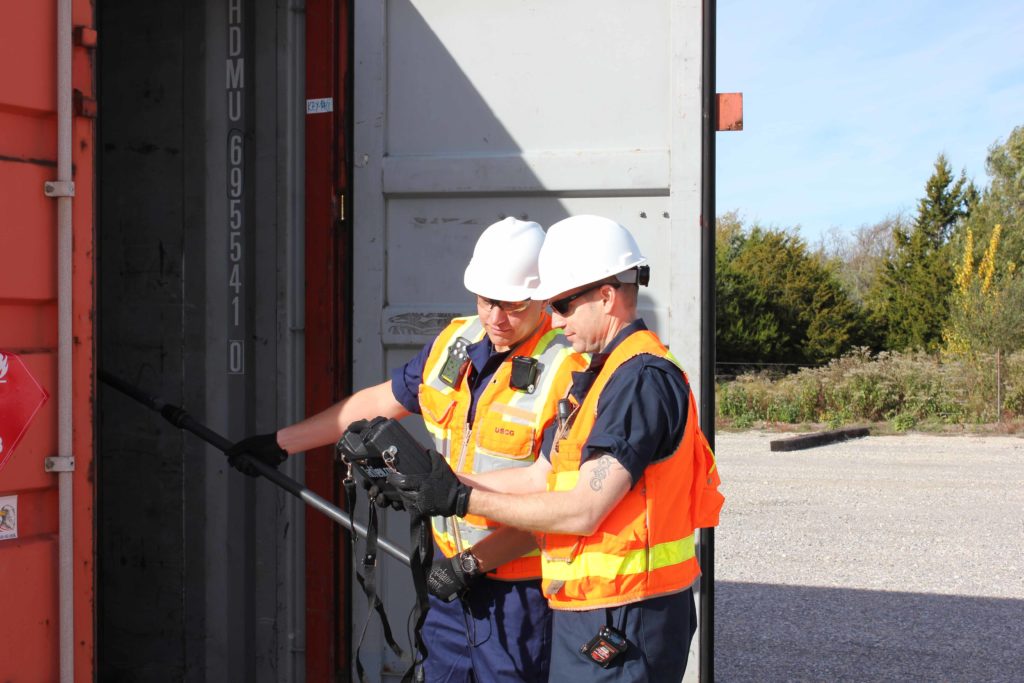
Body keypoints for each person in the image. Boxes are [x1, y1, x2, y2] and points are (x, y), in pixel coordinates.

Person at [227, 217, 587, 682]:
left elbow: (557, 505)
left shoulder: (569, 369)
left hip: (521, 593)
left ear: (543, 296)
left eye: (513, 304)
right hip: (452, 585)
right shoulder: (456, 344)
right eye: (485, 300)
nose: (495, 317)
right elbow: (381, 400)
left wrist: (471, 562)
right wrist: (281, 444)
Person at [388, 215, 724, 681]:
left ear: (607, 296)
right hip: (590, 609)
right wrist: (433, 484)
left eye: (563, 304)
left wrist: (463, 499)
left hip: (627, 614)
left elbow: (583, 509)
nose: (555, 319)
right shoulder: (598, 375)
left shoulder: (639, 379)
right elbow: (540, 476)